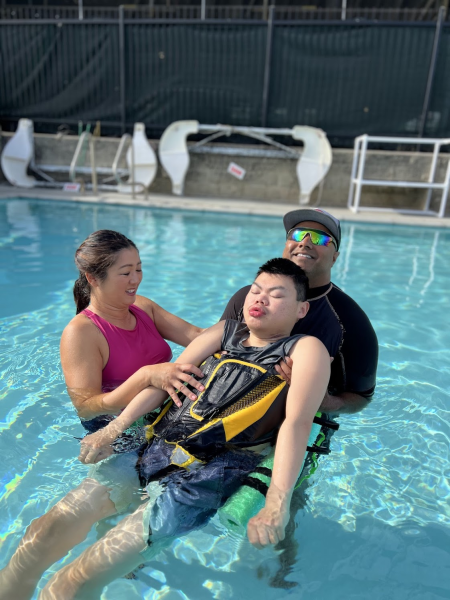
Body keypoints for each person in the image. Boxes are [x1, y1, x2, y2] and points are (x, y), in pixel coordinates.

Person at [0, 258, 330, 600]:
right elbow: (168, 380)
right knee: (41, 536)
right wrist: (112, 431)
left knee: (74, 583)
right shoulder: (225, 332)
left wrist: (277, 502)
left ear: (302, 309)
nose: (260, 299)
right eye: (256, 290)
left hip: (207, 474)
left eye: (276, 295)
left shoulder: (305, 349)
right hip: (151, 449)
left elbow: (297, 423)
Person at [221, 208, 379, 414]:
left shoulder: (349, 320)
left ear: (335, 258)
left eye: (320, 238)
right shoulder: (248, 298)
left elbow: (362, 397)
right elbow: (214, 347)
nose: (304, 243)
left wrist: (324, 402)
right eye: (297, 234)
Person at [60, 229, 209, 444]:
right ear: (93, 278)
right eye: (126, 273)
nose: (136, 279)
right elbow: (86, 408)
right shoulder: (81, 332)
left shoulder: (143, 307)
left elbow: (197, 336)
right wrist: (146, 376)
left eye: (139, 269)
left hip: (167, 410)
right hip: (119, 430)